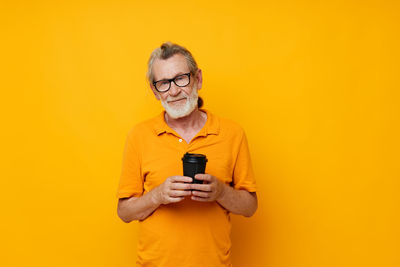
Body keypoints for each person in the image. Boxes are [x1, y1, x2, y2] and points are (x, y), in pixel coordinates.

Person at [116, 42, 258, 266]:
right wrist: (158, 195)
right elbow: (124, 212)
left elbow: (249, 207)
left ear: (198, 79)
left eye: (181, 78)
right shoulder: (139, 136)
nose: (173, 91)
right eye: (163, 83)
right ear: (155, 91)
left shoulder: (233, 134)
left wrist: (221, 191)